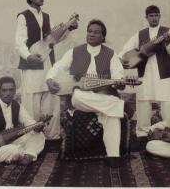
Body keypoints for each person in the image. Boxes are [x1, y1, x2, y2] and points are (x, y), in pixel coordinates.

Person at [46, 19, 132, 167]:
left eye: (96, 32)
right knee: (78, 95)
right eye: (90, 31)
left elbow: (118, 76)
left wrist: (120, 82)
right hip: (82, 99)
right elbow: (58, 66)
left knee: (111, 114)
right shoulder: (75, 52)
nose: (91, 34)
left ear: (103, 37)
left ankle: (113, 157)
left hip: (104, 96)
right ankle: (121, 106)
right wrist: (49, 78)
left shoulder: (111, 55)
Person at [119, 5, 170, 138]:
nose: (154, 18)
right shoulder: (140, 34)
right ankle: (142, 134)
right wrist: (123, 59)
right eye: (151, 16)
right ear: (146, 18)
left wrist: (167, 42)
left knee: (167, 101)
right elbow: (126, 50)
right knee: (143, 101)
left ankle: (168, 131)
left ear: (160, 16)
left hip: (163, 72)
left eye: (156, 15)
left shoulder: (167, 31)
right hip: (145, 72)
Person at [15, 0, 60, 140]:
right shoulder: (23, 16)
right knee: (32, 102)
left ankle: (51, 136)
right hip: (32, 64)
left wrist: (69, 28)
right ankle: (32, 138)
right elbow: (19, 42)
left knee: (51, 99)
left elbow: (55, 37)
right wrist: (28, 57)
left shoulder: (47, 17)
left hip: (48, 63)